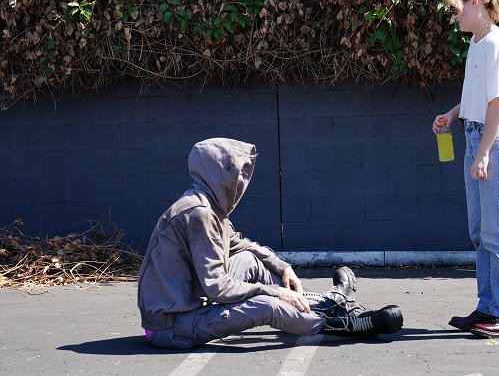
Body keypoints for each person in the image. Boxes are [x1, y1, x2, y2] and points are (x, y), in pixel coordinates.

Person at [137, 137, 403, 349]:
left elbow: (242, 246)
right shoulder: (199, 213)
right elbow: (217, 287)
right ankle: (341, 323)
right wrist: (275, 292)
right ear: (217, 173)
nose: (242, 179)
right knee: (267, 305)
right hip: (171, 326)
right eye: (236, 172)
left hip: (191, 301)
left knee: (253, 261)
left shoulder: (210, 207)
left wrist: (283, 267)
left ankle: (326, 301)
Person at [432, 0, 499, 339]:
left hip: (496, 142)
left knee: (497, 231)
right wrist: (453, 115)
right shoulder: (478, 43)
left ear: (474, 2)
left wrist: (484, 152)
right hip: (481, 139)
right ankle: (488, 307)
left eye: (456, 9)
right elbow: (480, 96)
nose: (454, 17)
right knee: (481, 233)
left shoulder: (497, 43)